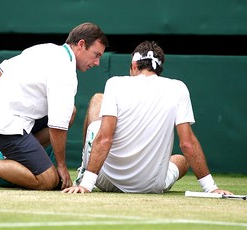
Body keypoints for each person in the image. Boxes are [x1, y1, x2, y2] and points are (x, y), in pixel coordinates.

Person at [0, 22, 109, 190]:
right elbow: (57, 125)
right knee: (49, 180)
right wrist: (62, 166)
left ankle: (18, 157)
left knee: (71, 111)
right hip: (5, 127)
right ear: (81, 44)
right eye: (96, 54)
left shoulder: (45, 48)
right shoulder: (65, 72)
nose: (97, 62)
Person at [62, 40, 232, 195]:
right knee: (181, 160)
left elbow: (105, 138)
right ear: (158, 68)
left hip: (105, 180)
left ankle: (84, 175)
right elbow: (187, 143)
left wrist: (87, 185)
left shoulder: (115, 83)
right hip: (152, 186)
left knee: (98, 101)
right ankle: (208, 186)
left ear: (134, 65)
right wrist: (211, 188)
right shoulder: (179, 88)